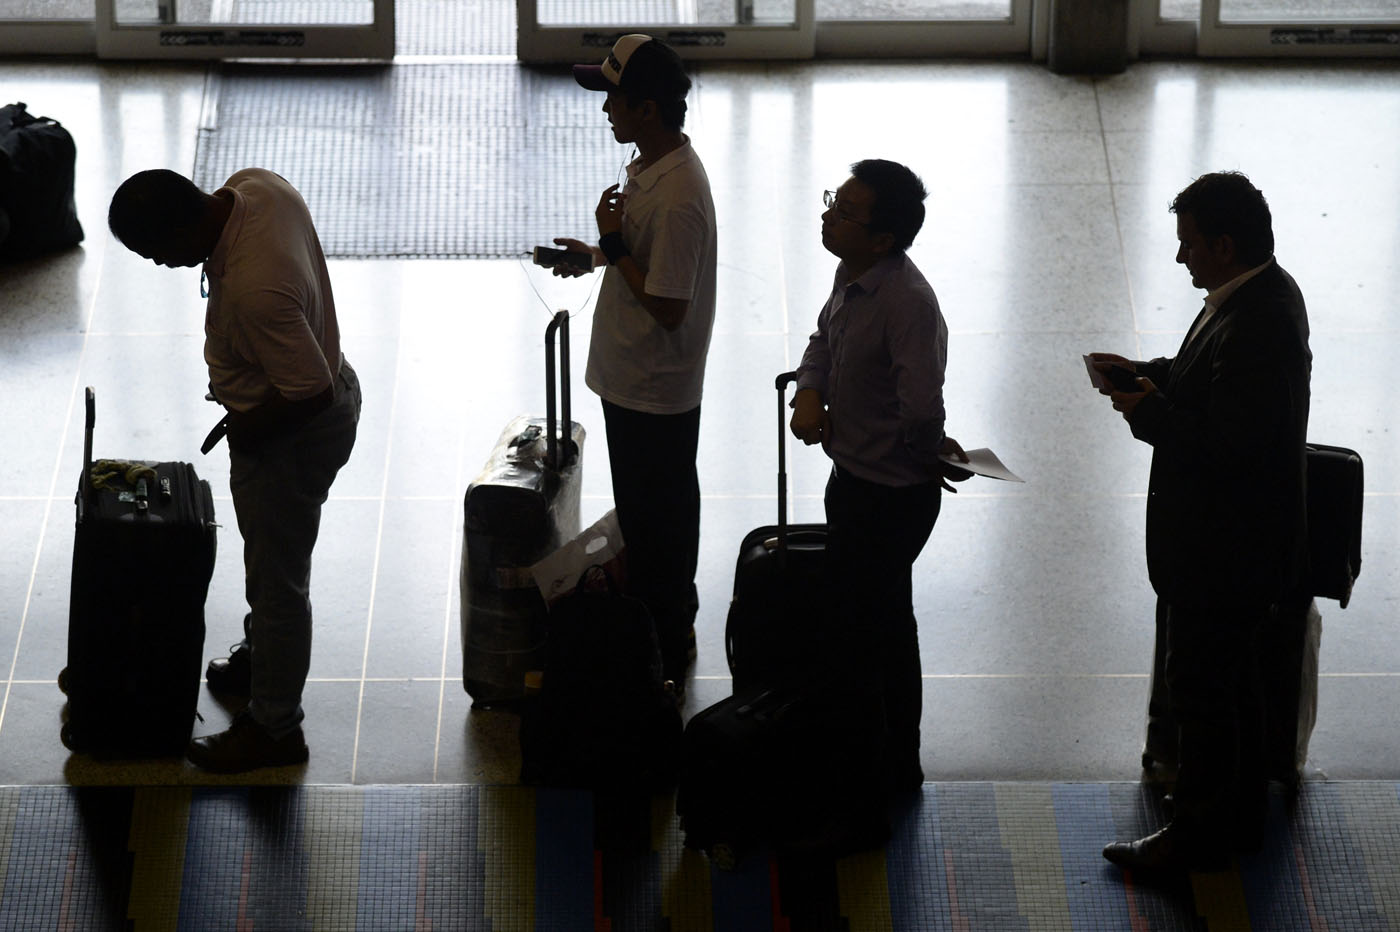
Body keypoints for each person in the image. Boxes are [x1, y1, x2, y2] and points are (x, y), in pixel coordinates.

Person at [1092, 171, 1311, 873]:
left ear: (1223, 244)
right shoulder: (1252, 296)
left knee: (1205, 695)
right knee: (1232, 688)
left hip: (1223, 552)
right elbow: (1210, 379)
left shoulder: (1258, 323)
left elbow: (1229, 446)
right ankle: (1236, 818)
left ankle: (1196, 835)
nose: (1180, 258)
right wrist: (1148, 371)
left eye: (1188, 244)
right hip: (1236, 548)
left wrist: (1148, 412)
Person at [108, 168, 361, 773]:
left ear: (182, 225)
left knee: (278, 583)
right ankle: (260, 659)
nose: (159, 265)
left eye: (156, 252)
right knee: (265, 563)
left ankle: (274, 728)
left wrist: (247, 428)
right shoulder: (256, 188)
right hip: (321, 385)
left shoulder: (254, 288)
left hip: (290, 435)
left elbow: (309, 393)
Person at [790, 159, 967, 794]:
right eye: (833, 200)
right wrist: (810, 392)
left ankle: (884, 764)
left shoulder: (907, 305)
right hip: (853, 481)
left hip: (893, 499)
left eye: (844, 211)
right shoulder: (852, 272)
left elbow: (921, 407)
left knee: (870, 628)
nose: (829, 215)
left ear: (883, 239)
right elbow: (823, 341)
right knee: (884, 620)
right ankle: (887, 758)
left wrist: (931, 455)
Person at [549, 34, 717, 687]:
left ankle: (664, 651)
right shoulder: (654, 163)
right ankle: (673, 611)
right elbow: (647, 265)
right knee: (664, 507)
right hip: (637, 384)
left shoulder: (677, 196)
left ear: (647, 108)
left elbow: (670, 307)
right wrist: (596, 254)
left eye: (613, 99)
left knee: (656, 525)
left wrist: (614, 246)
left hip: (652, 389)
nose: (604, 111)